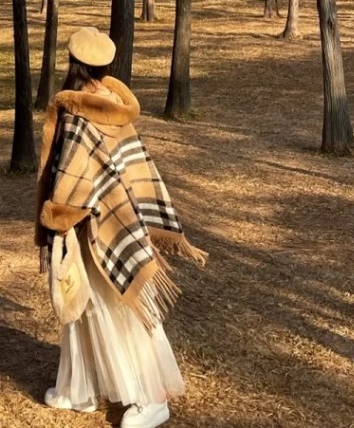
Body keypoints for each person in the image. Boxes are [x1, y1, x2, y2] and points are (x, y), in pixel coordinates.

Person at [36, 27, 207, 428]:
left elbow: (72, 178)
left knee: (118, 306)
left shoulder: (80, 113)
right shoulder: (114, 104)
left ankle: (153, 397)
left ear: (73, 63)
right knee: (85, 306)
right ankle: (77, 389)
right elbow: (135, 168)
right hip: (115, 223)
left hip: (96, 226)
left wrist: (55, 223)